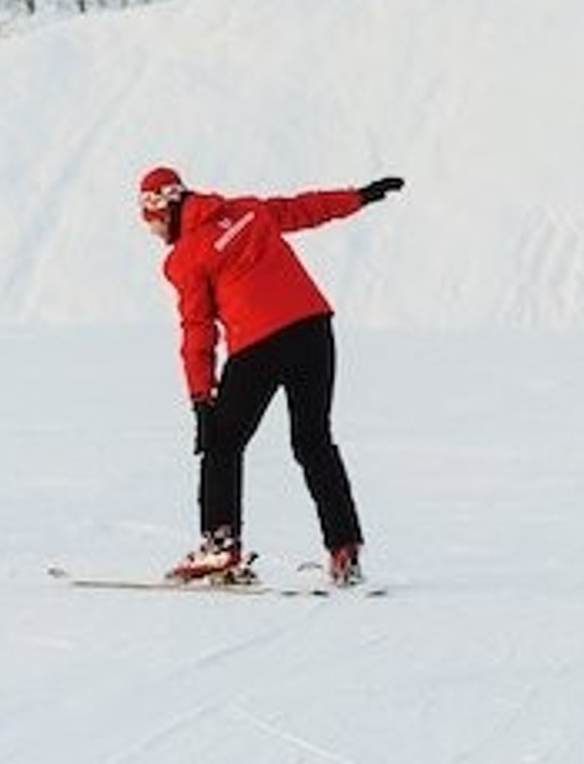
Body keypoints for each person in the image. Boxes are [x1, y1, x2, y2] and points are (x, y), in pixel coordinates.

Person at [140, 165, 404, 587]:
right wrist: (360, 196)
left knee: (222, 443)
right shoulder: (246, 210)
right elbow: (304, 209)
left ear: (166, 209)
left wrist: (200, 399)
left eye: (152, 222)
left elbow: (198, 330)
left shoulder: (185, 258)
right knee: (314, 441)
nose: (154, 233)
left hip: (258, 344)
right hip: (313, 328)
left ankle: (219, 544)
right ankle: (344, 550)